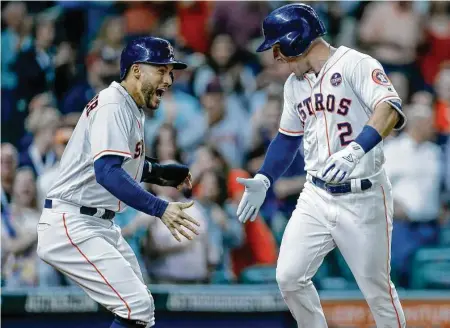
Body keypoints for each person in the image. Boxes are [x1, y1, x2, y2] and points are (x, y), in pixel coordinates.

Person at [236, 4, 406, 327]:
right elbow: (287, 139)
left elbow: (390, 108)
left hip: (364, 195)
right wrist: (265, 178)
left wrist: (357, 149)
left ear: (295, 40)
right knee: (288, 277)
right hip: (316, 194)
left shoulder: (355, 63)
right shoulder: (293, 86)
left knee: (378, 292)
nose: (277, 58)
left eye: (278, 48)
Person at [36, 37, 200, 328]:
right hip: (72, 221)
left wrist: (161, 173)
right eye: (161, 70)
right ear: (137, 70)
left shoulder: (129, 106)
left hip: (96, 223)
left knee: (141, 311)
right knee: (136, 306)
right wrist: (160, 208)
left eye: (171, 72)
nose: (169, 79)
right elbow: (107, 172)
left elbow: (123, 166)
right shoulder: (114, 104)